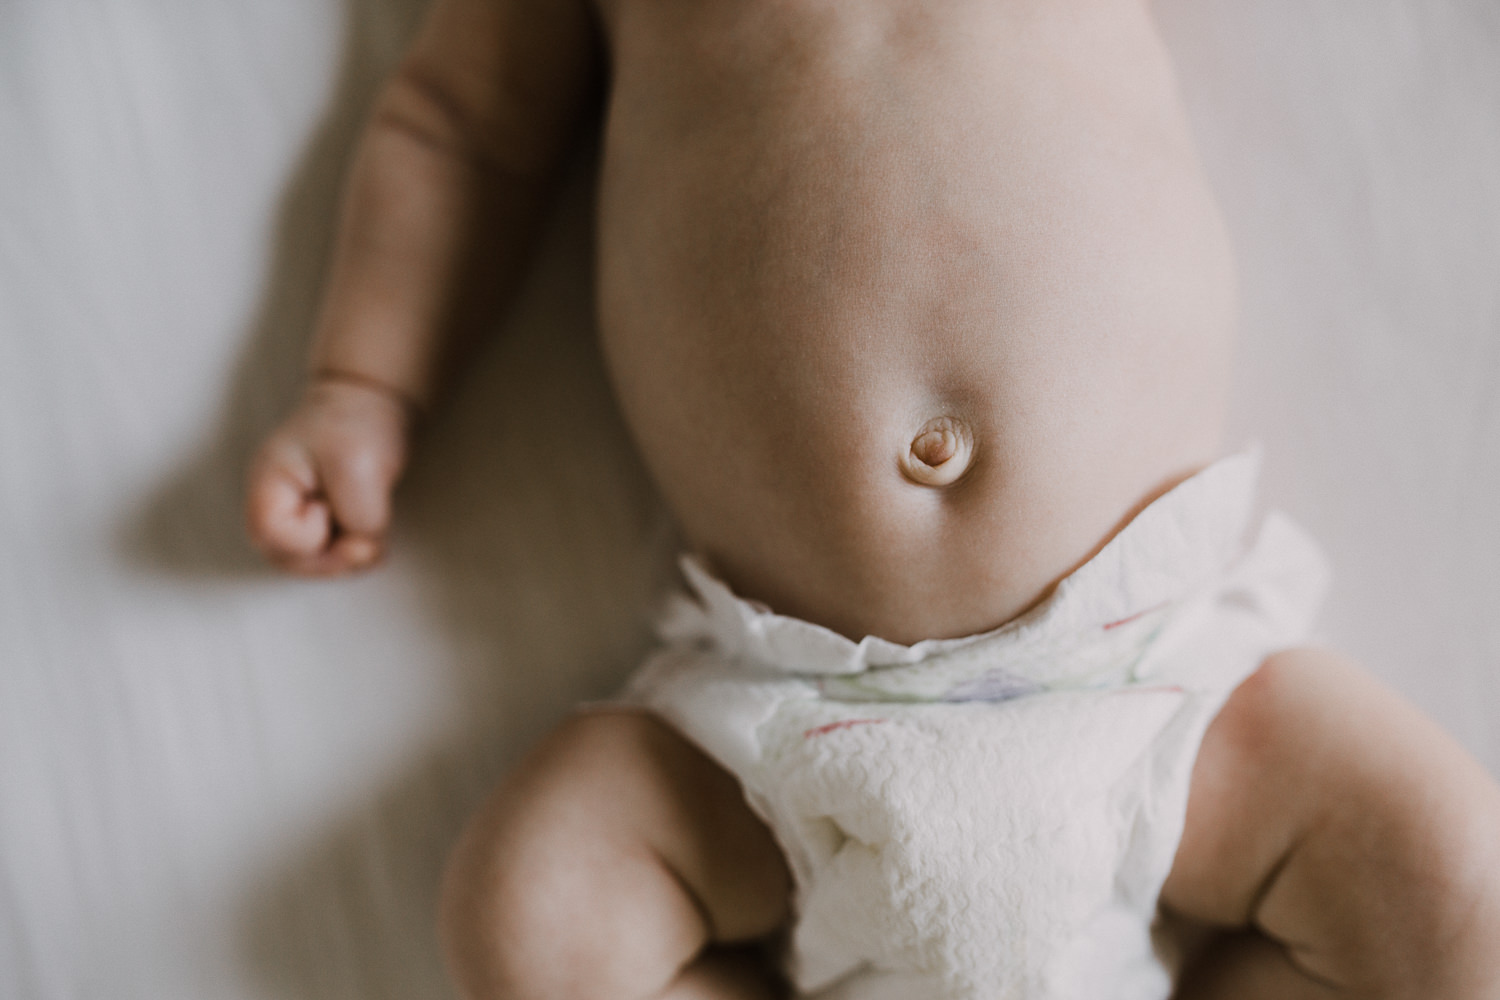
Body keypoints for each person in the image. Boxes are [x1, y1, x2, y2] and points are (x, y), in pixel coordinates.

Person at [246, 0, 1500, 997]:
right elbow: (462, 125)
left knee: (1458, 888)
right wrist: (364, 387)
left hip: (1163, 679)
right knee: (531, 910)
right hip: (778, 725)